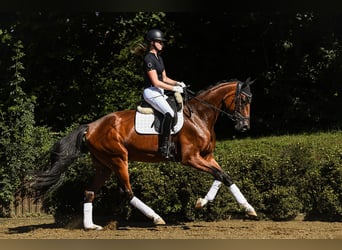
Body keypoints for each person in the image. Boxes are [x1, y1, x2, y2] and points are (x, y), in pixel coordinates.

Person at [142, 29, 185, 158]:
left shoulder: (159, 58)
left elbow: (165, 79)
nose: (161, 44)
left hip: (159, 91)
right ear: (152, 42)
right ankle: (164, 147)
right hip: (150, 92)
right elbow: (155, 82)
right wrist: (173, 89)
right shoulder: (148, 59)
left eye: (162, 42)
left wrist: (178, 83)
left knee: (176, 109)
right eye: (159, 42)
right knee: (169, 113)